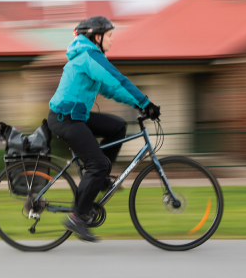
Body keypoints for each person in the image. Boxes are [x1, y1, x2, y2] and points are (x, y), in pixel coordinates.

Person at [47, 16, 161, 242]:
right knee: (97, 164)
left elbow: (112, 90)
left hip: (77, 116)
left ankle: (101, 178)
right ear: (96, 37)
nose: (112, 40)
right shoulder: (89, 56)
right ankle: (77, 217)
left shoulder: (89, 56)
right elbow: (118, 79)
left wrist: (139, 104)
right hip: (65, 118)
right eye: (109, 36)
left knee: (118, 126)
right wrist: (145, 103)